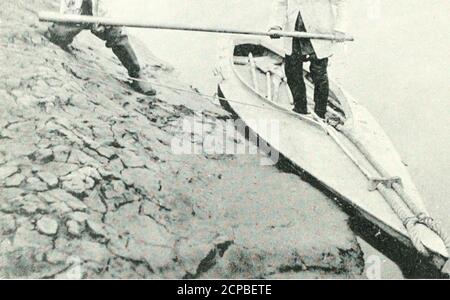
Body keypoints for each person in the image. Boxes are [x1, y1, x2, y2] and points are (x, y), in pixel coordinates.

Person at [45, 0, 156, 96]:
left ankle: (136, 73)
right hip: (77, 6)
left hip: (100, 7)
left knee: (115, 33)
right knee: (58, 35)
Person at [269, 0, 348, 118]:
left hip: (319, 32)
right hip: (294, 32)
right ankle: (300, 108)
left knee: (319, 74)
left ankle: (320, 113)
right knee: (292, 71)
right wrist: (276, 25)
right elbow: (281, 4)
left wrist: (340, 29)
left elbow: (342, 3)